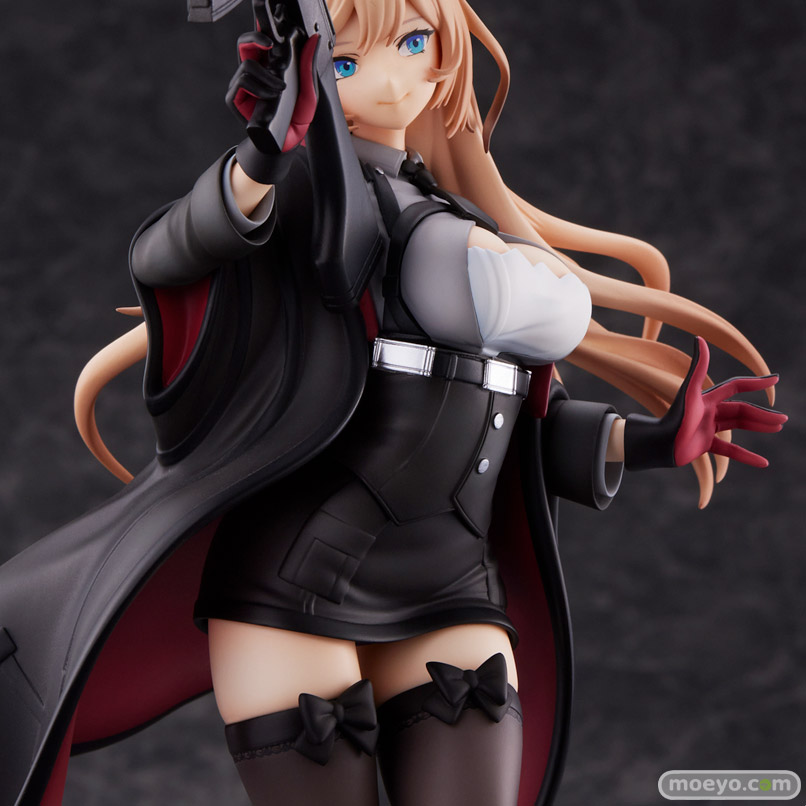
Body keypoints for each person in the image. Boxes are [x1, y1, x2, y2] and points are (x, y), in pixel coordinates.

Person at [0, 0, 785, 805]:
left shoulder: (458, 214)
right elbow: (169, 252)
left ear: (446, 53)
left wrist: (651, 442)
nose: (390, 80)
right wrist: (263, 155)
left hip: (452, 576)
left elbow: (497, 423)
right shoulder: (304, 204)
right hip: (299, 578)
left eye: (414, 42)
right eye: (345, 62)